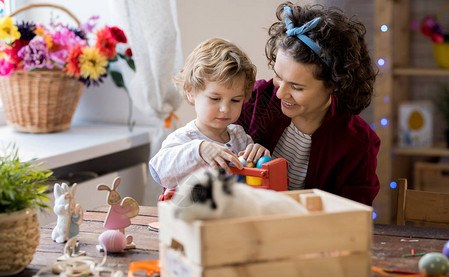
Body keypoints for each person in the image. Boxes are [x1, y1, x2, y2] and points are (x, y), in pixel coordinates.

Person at [237, 2, 380, 206]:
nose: (280, 94)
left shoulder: (357, 143)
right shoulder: (253, 100)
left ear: (333, 85)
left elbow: (353, 215)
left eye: (296, 87)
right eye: (278, 76)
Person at [150, 38, 270, 191]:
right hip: (191, 213)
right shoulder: (185, 139)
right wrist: (199, 150)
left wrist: (259, 156)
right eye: (215, 98)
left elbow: (252, 179)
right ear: (191, 93)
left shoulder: (240, 137)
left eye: (235, 100)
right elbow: (158, 170)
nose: (225, 109)